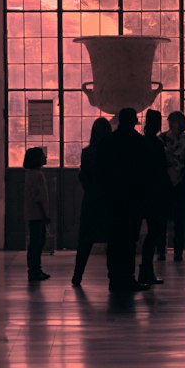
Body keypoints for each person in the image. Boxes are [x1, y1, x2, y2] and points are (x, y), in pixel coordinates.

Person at [101, 107, 148, 292]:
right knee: (129, 239)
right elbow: (144, 173)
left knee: (114, 239)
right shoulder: (139, 143)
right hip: (133, 199)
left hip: (113, 198)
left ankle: (114, 277)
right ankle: (127, 277)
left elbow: (101, 171)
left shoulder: (108, 142)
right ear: (133, 121)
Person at [72, 116, 112, 286]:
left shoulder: (87, 153)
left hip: (91, 200)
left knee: (86, 240)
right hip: (109, 200)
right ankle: (112, 273)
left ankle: (78, 274)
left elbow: (84, 176)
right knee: (112, 239)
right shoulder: (112, 153)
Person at [160, 109, 185, 262]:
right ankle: (161, 250)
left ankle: (178, 251)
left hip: (181, 184)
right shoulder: (162, 139)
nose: (171, 124)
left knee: (179, 218)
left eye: (173, 121)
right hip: (165, 184)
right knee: (162, 219)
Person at [138, 109, 169, 286]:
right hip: (156, 194)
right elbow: (161, 170)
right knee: (154, 232)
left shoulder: (142, 143)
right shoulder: (157, 144)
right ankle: (146, 270)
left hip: (143, 193)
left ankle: (145, 270)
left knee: (149, 232)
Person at [22, 145, 51, 281]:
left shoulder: (32, 174)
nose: (45, 158)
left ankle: (36, 269)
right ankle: (34, 270)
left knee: (38, 241)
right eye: (42, 156)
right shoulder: (36, 175)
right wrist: (44, 214)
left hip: (36, 214)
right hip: (37, 214)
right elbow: (38, 197)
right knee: (36, 242)